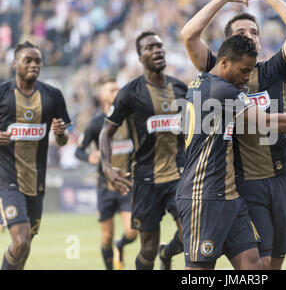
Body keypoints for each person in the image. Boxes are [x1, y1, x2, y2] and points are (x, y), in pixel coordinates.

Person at [181, 0, 286, 269]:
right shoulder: (218, 69)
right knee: (257, 264)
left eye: (254, 32)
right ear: (228, 43)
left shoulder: (274, 70)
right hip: (245, 183)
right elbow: (189, 35)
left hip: (282, 179)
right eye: (241, 32)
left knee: (271, 266)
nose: (249, 36)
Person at [177, 35, 286, 270]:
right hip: (204, 194)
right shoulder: (222, 91)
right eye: (243, 70)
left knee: (254, 264)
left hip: (229, 196)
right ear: (225, 62)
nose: (247, 77)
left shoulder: (205, 83)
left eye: (250, 70)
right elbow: (267, 122)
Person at [99, 31, 187, 270]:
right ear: (140, 58)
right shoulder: (129, 93)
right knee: (147, 248)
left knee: (191, 234)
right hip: (146, 179)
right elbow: (105, 132)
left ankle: (167, 254)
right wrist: (107, 167)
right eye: (149, 48)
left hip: (179, 174)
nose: (157, 50)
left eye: (159, 46)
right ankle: (159, 253)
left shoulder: (181, 89)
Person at [0, 41, 71, 270]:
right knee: (20, 241)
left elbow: (63, 139)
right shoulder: (2, 94)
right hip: (7, 180)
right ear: (14, 64)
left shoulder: (52, 95)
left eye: (37, 61)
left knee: (25, 246)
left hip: (36, 182)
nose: (34, 65)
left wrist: (60, 134)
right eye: (27, 60)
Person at [75, 79, 138, 270]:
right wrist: (90, 157)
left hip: (127, 184)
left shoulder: (131, 119)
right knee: (106, 236)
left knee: (132, 232)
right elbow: (78, 151)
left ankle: (120, 245)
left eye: (118, 88)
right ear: (103, 96)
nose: (116, 92)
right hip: (105, 186)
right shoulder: (95, 123)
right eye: (112, 89)